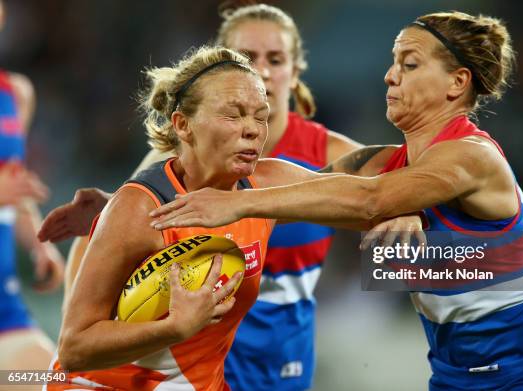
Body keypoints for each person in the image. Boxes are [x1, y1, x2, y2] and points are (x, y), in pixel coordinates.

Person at [148, 12, 523, 390]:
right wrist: (146, 196)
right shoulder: (391, 164)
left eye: (409, 64)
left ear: (457, 82)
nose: (389, 75)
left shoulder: (473, 156)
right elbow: (308, 182)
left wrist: (240, 205)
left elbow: (370, 200)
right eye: (393, 62)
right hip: (457, 373)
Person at [40, 4, 369, 390]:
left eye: (259, 116)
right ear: (183, 125)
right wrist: (177, 326)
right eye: (233, 115)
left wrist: (407, 213)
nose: (252, 130)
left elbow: (363, 202)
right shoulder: (141, 206)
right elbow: (75, 347)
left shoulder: (268, 181)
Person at [0, 0, 65, 376]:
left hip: (4, 297)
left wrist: (41, 245)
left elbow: (14, 187)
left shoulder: (15, 94)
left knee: (47, 380)